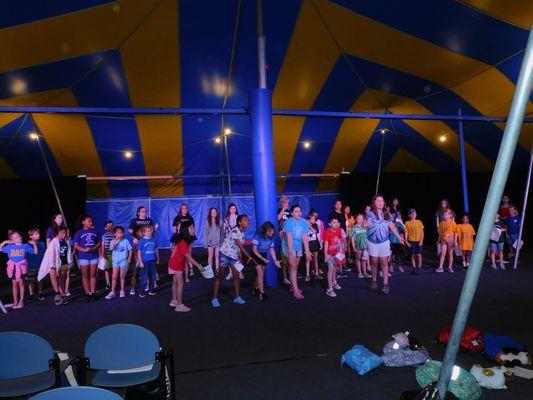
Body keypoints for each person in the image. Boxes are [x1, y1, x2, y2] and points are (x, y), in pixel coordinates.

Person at [364, 195, 405, 294]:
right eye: (378, 201)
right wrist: (364, 224)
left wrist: (399, 237)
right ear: (374, 203)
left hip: (384, 241)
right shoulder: (370, 214)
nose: (380, 202)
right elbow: (366, 225)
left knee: (383, 261)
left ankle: (386, 284)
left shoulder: (387, 213)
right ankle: (374, 282)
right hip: (373, 242)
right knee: (374, 261)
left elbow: (392, 227)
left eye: (382, 201)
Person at [212, 214, 254, 307]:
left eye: (247, 220)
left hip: (234, 257)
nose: (247, 222)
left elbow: (238, 249)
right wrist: (249, 256)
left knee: (236, 275)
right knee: (221, 275)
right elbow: (240, 246)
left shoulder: (243, 233)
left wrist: (240, 258)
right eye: (245, 220)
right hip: (225, 254)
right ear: (239, 222)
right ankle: (214, 298)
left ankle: (237, 297)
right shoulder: (234, 231)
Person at [169, 221, 204, 312]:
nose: (193, 230)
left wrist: (171, 262)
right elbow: (188, 256)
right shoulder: (183, 241)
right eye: (191, 228)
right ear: (185, 229)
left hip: (173, 263)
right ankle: (179, 305)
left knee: (175, 282)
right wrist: (199, 266)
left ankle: (174, 300)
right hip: (177, 264)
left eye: (193, 227)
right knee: (181, 283)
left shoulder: (182, 240)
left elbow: (175, 251)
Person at [0, 231, 37, 309]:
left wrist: (34, 244)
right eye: (16, 237)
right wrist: (4, 242)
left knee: (21, 284)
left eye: (19, 236)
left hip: (21, 268)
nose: (19, 238)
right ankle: (15, 301)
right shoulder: (9, 247)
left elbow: (35, 252)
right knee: (14, 285)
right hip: (13, 268)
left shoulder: (25, 246)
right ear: (12, 240)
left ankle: (21, 301)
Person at [282, 205, 311, 300]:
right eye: (296, 211)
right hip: (289, 246)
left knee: (294, 267)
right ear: (291, 213)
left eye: (299, 211)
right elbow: (289, 238)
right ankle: (295, 290)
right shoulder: (288, 222)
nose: (298, 213)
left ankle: (292, 287)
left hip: (298, 246)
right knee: (293, 267)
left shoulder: (303, 222)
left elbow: (305, 237)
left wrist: (307, 250)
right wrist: (290, 253)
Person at [38, 226, 71, 306]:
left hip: (64, 262)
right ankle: (57, 293)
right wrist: (54, 266)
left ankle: (62, 294)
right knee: (53, 275)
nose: (64, 234)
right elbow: (51, 255)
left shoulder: (67, 241)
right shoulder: (53, 242)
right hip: (54, 263)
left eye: (65, 232)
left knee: (62, 278)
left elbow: (69, 252)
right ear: (57, 233)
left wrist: (70, 262)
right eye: (62, 233)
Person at [251, 221, 281, 301]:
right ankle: (262, 293)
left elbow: (271, 249)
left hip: (263, 254)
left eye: (272, 231)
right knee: (260, 274)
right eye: (269, 231)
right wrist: (263, 259)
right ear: (265, 230)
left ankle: (256, 288)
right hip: (256, 255)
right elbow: (254, 250)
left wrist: (275, 260)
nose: (272, 232)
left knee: (260, 274)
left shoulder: (271, 237)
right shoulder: (258, 236)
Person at [73, 214, 100, 300]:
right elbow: (76, 245)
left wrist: (95, 248)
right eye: (89, 221)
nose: (91, 222)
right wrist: (84, 250)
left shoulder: (95, 231)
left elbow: (99, 242)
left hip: (94, 256)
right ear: (83, 222)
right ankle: (87, 293)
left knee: (93, 275)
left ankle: (93, 293)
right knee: (85, 275)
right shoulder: (79, 232)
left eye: (91, 221)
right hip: (83, 256)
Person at [105, 226, 133, 300]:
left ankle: (122, 291)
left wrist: (129, 258)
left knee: (122, 276)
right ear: (115, 234)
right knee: (114, 277)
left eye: (121, 233)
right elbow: (111, 248)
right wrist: (115, 241)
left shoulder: (126, 241)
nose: (119, 234)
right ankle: (112, 292)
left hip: (123, 260)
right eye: (118, 233)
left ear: (123, 233)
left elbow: (130, 250)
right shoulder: (113, 241)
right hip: (115, 261)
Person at [323, 216, 345, 298]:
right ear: (329, 224)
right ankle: (329, 289)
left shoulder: (339, 230)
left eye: (337, 222)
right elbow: (326, 244)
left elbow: (339, 240)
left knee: (335, 268)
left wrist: (340, 250)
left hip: (336, 253)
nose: (336, 224)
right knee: (331, 268)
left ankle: (334, 281)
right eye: (334, 222)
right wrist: (325, 255)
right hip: (329, 254)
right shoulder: (327, 232)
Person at [137, 225, 159, 297]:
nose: (150, 232)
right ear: (143, 233)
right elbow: (139, 252)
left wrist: (158, 258)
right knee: (144, 277)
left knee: (152, 276)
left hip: (152, 261)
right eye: (148, 231)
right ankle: (142, 292)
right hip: (145, 262)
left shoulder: (153, 239)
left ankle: (151, 290)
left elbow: (156, 250)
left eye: (150, 230)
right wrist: (140, 261)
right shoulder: (142, 241)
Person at [224, 203, 244, 281]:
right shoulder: (226, 219)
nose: (233, 209)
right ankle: (231, 272)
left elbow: (242, 229)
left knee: (239, 256)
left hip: (238, 239)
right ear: (229, 209)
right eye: (231, 208)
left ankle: (240, 272)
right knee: (230, 256)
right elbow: (225, 230)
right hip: (229, 240)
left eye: (234, 208)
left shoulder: (239, 218)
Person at [25, 228, 46, 301]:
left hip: (40, 264)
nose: (38, 235)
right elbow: (25, 256)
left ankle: (40, 292)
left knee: (40, 279)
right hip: (30, 265)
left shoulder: (42, 244)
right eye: (36, 234)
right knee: (31, 280)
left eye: (38, 234)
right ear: (30, 236)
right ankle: (31, 293)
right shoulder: (26, 245)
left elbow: (44, 254)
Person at [404, 209, 424, 274]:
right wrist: (406, 240)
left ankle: (419, 268)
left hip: (418, 240)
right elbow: (406, 232)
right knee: (412, 255)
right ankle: (414, 268)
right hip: (411, 241)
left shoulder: (419, 221)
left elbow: (422, 232)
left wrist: (421, 240)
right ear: (409, 215)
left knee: (419, 255)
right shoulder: (407, 223)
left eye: (414, 214)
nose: (413, 215)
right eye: (412, 214)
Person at [349, 213, 370, 278]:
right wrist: (354, 247)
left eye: (362, 218)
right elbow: (352, 238)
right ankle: (360, 272)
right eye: (358, 219)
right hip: (358, 246)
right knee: (358, 259)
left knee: (364, 259)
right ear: (356, 220)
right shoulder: (354, 228)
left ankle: (365, 272)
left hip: (365, 246)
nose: (360, 220)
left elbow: (368, 236)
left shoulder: (365, 227)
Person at [203, 208, 223, 273]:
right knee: (210, 256)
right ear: (210, 214)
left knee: (217, 256)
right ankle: (210, 270)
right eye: (212, 212)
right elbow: (205, 233)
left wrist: (222, 242)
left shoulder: (220, 221)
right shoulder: (207, 221)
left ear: (217, 213)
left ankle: (217, 269)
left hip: (218, 242)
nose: (214, 213)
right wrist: (205, 243)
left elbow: (222, 233)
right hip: (210, 242)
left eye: (215, 212)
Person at [305, 214, 321, 282]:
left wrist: (310, 226)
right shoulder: (304, 226)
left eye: (314, 219)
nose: (314, 220)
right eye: (313, 219)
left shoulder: (315, 225)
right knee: (308, 260)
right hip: (308, 245)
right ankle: (307, 274)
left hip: (315, 244)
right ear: (308, 220)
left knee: (315, 259)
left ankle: (317, 273)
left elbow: (315, 231)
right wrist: (307, 225)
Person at [100, 220, 114, 290]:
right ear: (105, 228)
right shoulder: (104, 236)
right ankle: (108, 283)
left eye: (111, 225)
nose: (110, 227)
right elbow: (103, 245)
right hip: (107, 255)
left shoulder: (115, 235)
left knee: (114, 269)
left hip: (114, 255)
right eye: (108, 226)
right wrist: (103, 254)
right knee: (107, 269)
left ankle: (113, 282)